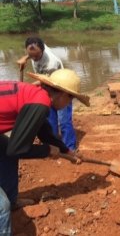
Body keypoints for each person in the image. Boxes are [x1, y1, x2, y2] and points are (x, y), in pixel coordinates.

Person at [0, 69, 90, 235]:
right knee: (1, 208)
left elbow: (44, 132)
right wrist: (46, 150)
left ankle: (12, 201)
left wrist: (67, 151)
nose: (69, 104)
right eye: (71, 99)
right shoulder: (40, 103)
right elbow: (16, 149)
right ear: (63, 95)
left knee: (4, 149)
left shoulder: (37, 95)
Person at [17, 37, 77, 152]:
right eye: (31, 55)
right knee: (50, 121)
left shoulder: (51, 63)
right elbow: (32, 51)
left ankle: (70, 148)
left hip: (62, 90)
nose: (34, 58)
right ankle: (54, 147)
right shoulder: (38, 47)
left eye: (36, 55)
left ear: (42, 50)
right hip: (49, 90)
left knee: (64, 121)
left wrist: (26, 88)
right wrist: (25, 58)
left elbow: (45, 81)